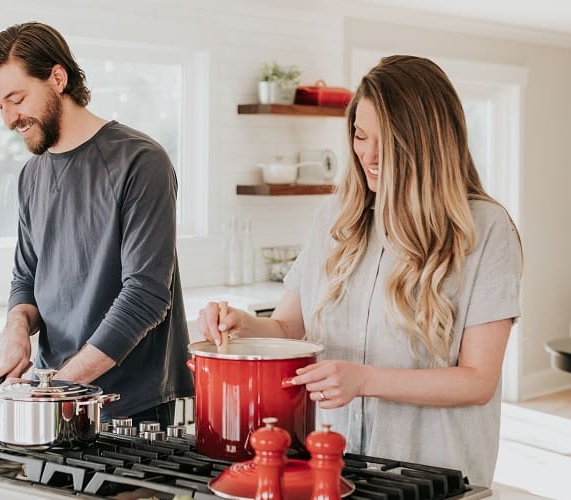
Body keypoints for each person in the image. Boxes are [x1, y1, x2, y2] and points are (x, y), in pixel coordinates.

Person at [198, 55, 522, 486]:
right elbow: (290, 327)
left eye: (385, 140)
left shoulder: (485, 229)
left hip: (429, 475)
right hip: (332, 468)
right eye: (360, 135)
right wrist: (245, 326)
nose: (368, 155)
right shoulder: (335, 218)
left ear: (427, 142)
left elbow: (477, 380)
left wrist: (365, 380)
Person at [0, 22, 193, 429]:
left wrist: (55, 390)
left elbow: (146, 295)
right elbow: (27, 277)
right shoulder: (31, 175)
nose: (8, 119)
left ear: (58, 78)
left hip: (130, 406)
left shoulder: (141, 161)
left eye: (16, 99)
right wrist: (16, 328)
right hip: (51, 396)